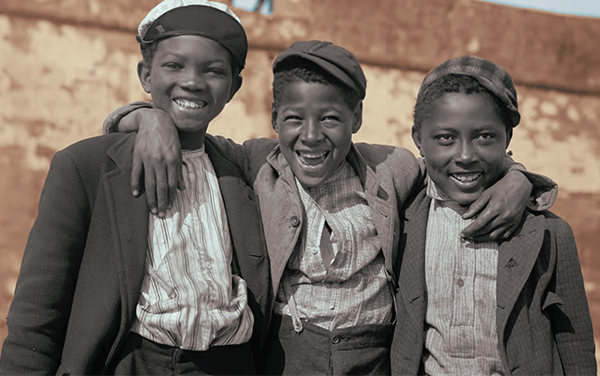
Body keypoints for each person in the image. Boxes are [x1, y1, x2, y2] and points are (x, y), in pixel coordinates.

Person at [104, 41, 557, 375]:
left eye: (332, 119)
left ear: (356, 119)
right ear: (275, 119)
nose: (313, 136)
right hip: (286, 355)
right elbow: (187, 133)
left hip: (373, 356)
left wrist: (518, 178)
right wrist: (148, 116)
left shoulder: (392, 169)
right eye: (295, 119)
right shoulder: (256, 161)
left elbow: (458, 164)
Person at [0, 0, 272, 375]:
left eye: (213, 71)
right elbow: (39, 309)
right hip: (128, 362)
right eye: (174, 66)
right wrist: (147, 118)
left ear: (234, 87)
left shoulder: (241, 168)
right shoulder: (85, 166)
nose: (192, 82)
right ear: (146, 75)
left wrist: (144, 117)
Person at [391, 55, 596, 375]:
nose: (465, 156)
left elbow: (575, 343)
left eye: (485, 137)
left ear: (507, 139)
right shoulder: (400, 221)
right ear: (418, 139)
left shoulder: (549, 234)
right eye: (446, 138)